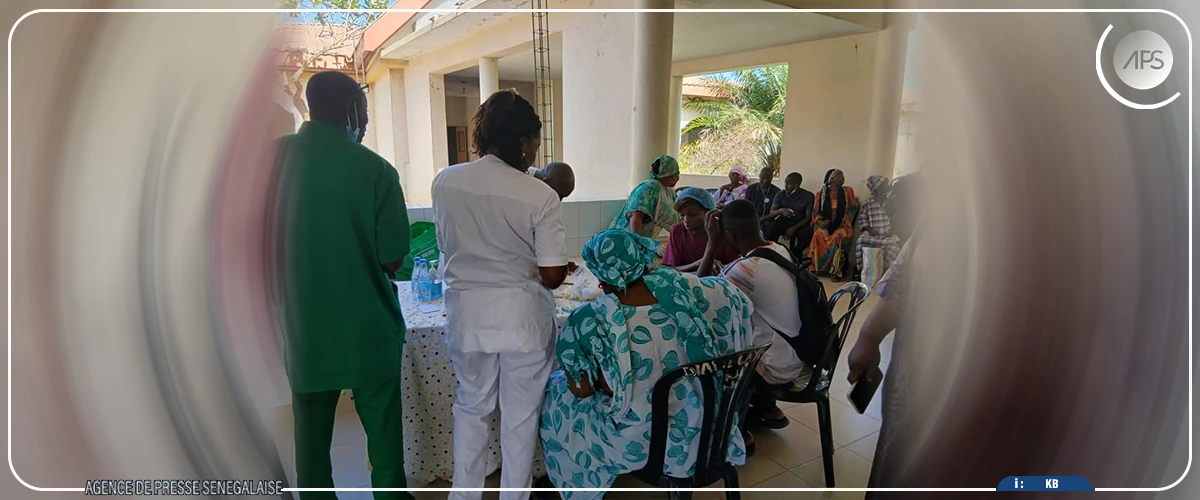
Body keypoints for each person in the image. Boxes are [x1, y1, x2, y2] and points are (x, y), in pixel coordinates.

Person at [275, 71, 413, 500]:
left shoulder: (270, 163)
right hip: (368, 330)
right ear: (353, 109)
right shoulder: (376, 170)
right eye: (365, 111)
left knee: (311, 441)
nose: (366, 121)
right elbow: (393, 257)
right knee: (385, 441)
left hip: (306, 328)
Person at [539, 229, 755, 499]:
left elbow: (581, 390)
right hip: (709, 426)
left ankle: (569, 480)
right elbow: (740, 305)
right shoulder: (686, 291)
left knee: (556, 392)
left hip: (643, 443)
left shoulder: (590, 320)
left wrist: (614, 380)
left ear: (601, 277)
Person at [432, 89, 569, 500]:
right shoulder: (540, 195)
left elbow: (449, 245)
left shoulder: (445, 182)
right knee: (520, 418)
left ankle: (465, 495)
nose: (534, 153)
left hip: (467, 316)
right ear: (523, 141)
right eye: (534, 143)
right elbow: (551, 274)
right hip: (521, 321)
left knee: (471, 408)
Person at [698, 200, 809, 439]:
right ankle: (767, 408)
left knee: (709, 348)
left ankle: (732, 428)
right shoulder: (779, 250)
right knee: (750, 330)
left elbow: (698, 300)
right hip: (801, 353)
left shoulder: (744, 269)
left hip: (776, 367)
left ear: (729, 234)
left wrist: (711, 243)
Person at [661, 187, 740, 274]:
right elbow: (671, 269)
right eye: (682, 215)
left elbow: (733, 267)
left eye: (693, 215)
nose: (686, 220)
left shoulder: (721, 231)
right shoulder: (677, 231)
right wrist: (700, 262)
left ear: (708, 212)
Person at [608, 154, 681, 238]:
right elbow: (635, 215)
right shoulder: (649, 187)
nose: (677, 177)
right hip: (630, 243)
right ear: (668, 173)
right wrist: (637, 243)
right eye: (676, 173)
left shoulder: (668, 191)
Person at [809, 168, 859, 281]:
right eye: (841, 176)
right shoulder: (820, 194)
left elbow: (853, 207)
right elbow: (816, 212)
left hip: (842, 226)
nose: (843, 179)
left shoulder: (847, 191)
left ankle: (835, 271)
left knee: (838, 236)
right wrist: (821, 222)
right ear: (832, 179)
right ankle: (815, 267)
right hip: (827, 226)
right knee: (818, 234)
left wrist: (855, 204)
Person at [855, 175, 902, 276]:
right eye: (885, 184)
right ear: (878, 188)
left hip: (889, 236)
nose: (888, 186)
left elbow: (897, 221)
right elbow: (864, 223)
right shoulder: (868, 204)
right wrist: (874, 232)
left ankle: (887, 275)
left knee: (895, 248)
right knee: (860, 241)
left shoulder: (891, 201)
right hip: (873, 235)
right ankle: (860, 272)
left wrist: (890, 232)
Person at [761, 172, 815, 254]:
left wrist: (793, 229)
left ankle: (794, 255)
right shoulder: (780, 194)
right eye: (785, 182)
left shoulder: (808, 196)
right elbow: (772, 212)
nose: (785, 186)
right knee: (771, 229)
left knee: (808, 235)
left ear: (797, 185)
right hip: (783, 221)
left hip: (799, 223)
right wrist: (781, 211)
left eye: (789, 184)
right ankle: (771, 252)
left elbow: (807, 217)